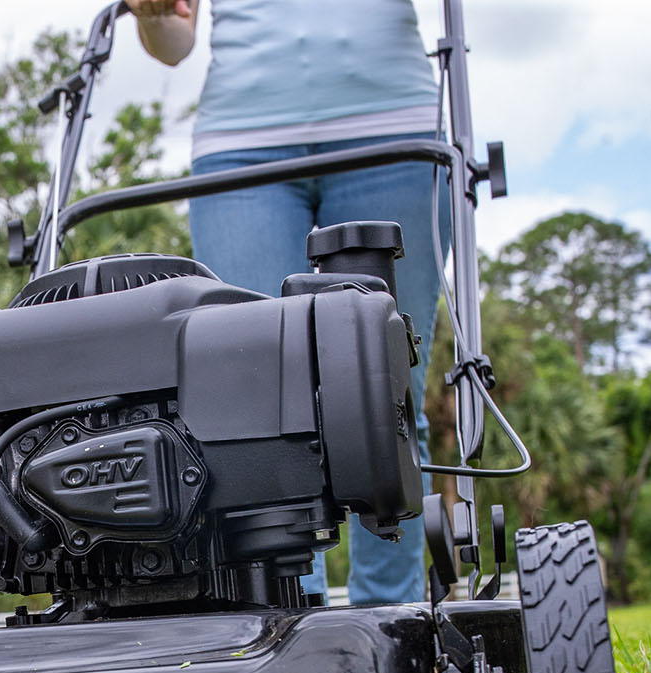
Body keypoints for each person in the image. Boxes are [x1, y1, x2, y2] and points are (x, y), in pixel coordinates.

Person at [125, 0, 450, 606]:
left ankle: (394, 621)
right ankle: (284, 624)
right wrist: (150, 13)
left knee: (390, 392)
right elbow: (174, 42)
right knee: (251, 405)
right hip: (241, 149)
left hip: (391, 128)